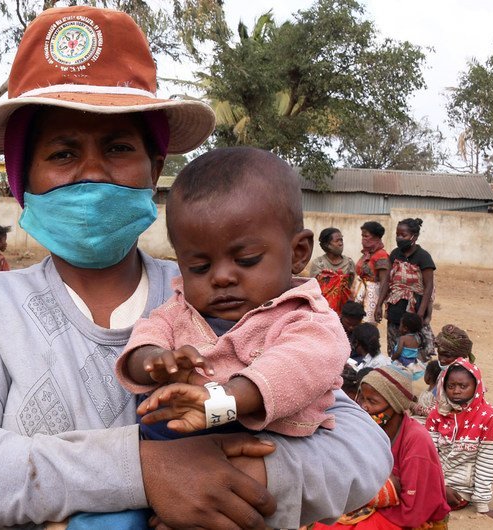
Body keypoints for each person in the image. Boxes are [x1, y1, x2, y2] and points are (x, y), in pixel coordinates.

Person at [0, 7, 390, 529]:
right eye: (63, 153)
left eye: (118, 148)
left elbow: (359, 447)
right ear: (23, 178)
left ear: (154, 168)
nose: (92, 173)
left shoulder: (218, 297)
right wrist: (144, 467)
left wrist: (238, 481)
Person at [114, 148, 347, 444]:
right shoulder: (179, 310)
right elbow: (146, 336)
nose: (221, 277)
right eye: (199, 267)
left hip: (268, 445)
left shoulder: (306, 318)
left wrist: (223, 401)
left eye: (247, 259)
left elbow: (298, 366)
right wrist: (155, 361)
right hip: (168, 452)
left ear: (298, 253)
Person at [319, 367, 450, 529]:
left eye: (372, 401)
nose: (363, 407)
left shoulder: (417, 441)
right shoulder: (366, 430)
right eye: (362, 399)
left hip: (410, 516)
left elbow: (415, 509)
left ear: (395, 405)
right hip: (378, 506)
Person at [426, 359, 493, 520]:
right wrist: (436, 485)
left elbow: (488, 464)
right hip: (434, 483)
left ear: (476, 387)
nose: (456, 391)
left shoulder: (491, 418)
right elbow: (427, 454)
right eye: (451, 386)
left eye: (463, 386)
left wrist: (483, 506)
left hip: (460, 492)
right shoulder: (437, 414)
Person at [376, 218, 436, 359]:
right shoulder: (396, 254)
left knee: (420, 346)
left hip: (415, 308)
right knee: (393, 346)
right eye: (397, 235)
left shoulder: (423, 257)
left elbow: (428, 287)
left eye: (403, 235)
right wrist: (379, 305)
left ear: (414, 237)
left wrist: (420, 314)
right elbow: (387, 282)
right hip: (395, 306)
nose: (399, 238)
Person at [308, 227, 356, 315]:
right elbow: (313, 288)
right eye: (337, 241)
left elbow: (350, 285)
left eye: (342, 240)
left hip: (344, 311)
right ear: (327, 245)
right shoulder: (318, 264)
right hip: (323, 310)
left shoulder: (349, 263)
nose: (341, 243)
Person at [354, 221, 390, 324]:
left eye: (366, 236)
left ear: (376, 237)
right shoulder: (367, 254)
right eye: (362, 236)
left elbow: (384, 282)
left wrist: (379, 305)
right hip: (360, 293)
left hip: (372, 296)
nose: (363, 239)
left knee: (366, 325)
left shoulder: (381, 255)